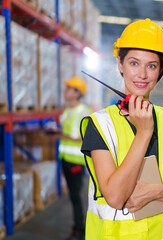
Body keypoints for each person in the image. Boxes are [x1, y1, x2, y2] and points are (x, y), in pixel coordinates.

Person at [80, 18, 163, 240]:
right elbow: (114, 196)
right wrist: (143, 133)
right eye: (133, 63)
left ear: (160, 70)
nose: (142, 74)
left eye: (151, 65)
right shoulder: (100, 125)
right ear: (120, 65)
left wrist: (159, 191)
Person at [58, 76, 92, 240]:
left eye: (69, 88)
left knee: (75, 196)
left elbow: (84, 137)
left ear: (77, 93)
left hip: (76, 161)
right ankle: (78, 227)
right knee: (72, 195)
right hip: (65, 158)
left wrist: (60, 135)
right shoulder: (67, 111)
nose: (65, 91)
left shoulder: (83, 111)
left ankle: (80, 230)